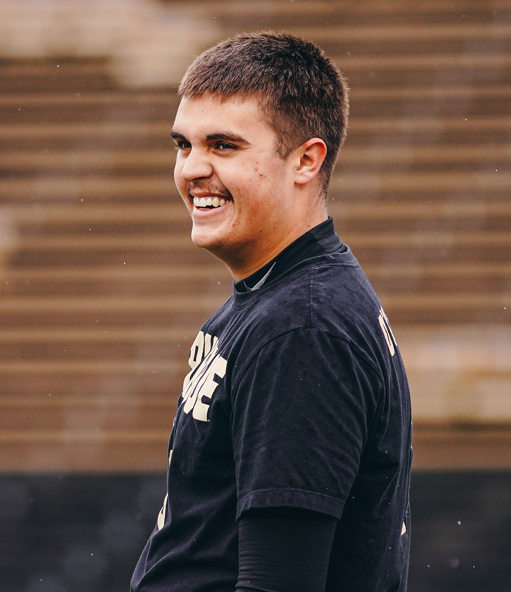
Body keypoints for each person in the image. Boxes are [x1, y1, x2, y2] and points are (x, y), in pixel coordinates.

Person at [131, 32, 412, 592]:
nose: (191, 169)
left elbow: (279, 581)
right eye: (183, 145)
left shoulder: (302, 327)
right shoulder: (275, 301)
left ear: (306, 160)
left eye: (223, 146)